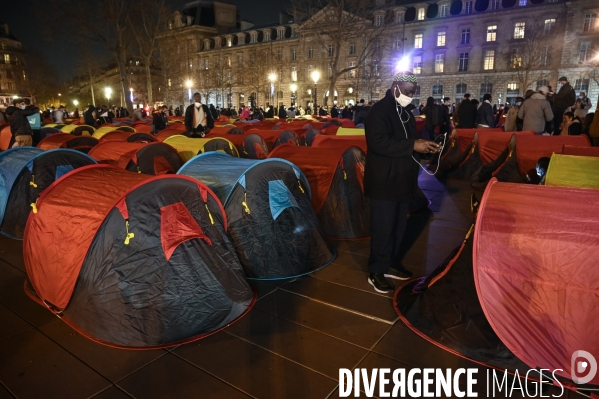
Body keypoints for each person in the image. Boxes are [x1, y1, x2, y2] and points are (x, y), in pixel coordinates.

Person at [363, 72, 440, 293]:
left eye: (413, 93)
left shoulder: (405, 111)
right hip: (383, 181)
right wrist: (413, 146)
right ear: (395, 87)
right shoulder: (378, 111)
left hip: (402, 179)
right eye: (407, 92)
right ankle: (376, 270)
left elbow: (408, 142)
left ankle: (391, 262)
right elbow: (379, 143)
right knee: (383, 228)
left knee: (398, 226)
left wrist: (426, 148)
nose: (410, 96)